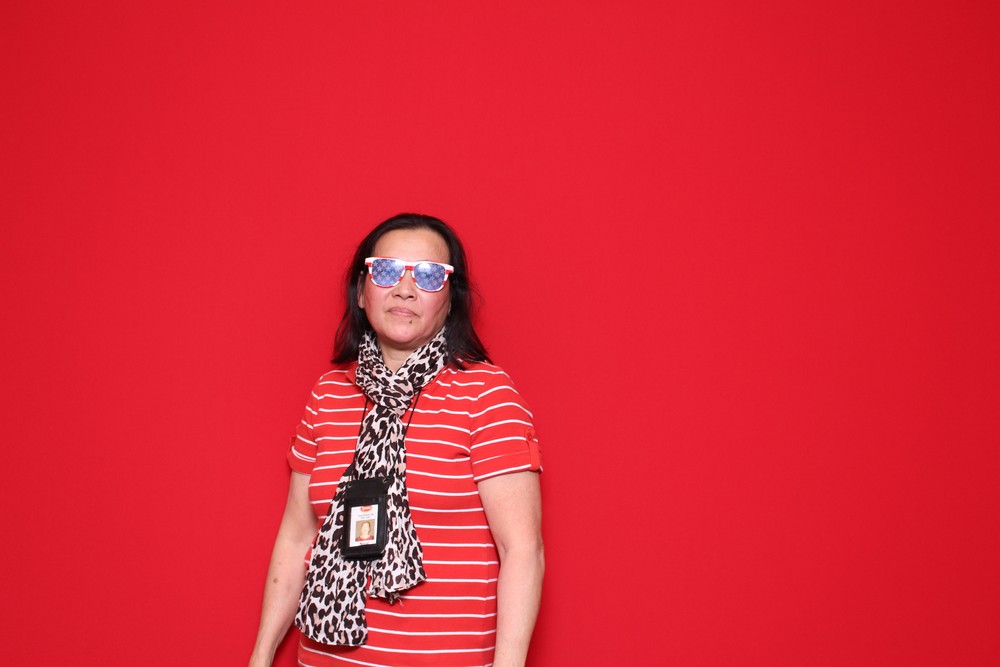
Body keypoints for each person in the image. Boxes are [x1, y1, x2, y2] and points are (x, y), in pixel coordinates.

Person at [249, 213, 544, 667]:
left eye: (428, 275)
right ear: (362, 291)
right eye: (386, 270)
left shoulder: (487, 395)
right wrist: (261, 656)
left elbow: (521, 551)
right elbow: (295, 537)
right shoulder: (328, 394)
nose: (405, 289)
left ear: (450, 300)